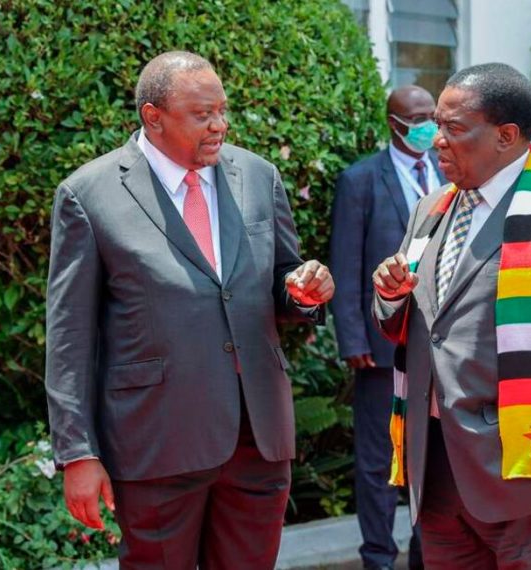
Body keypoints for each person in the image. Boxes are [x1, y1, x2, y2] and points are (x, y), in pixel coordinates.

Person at [45, 51, 334, 569]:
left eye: (223, 110)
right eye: (202, 114)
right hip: (156, 442)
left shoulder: (257, 175)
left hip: (258, 438)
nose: (219, 125)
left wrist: (304, 291)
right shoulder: (89, 195)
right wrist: (78, 453)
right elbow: (69, 337)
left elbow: (283, 279)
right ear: (152, 116)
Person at [372, 62, 531, 568]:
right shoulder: (432, 208)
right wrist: (391, 296)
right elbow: (419, 326)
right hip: (437, 466)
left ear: (506, 136)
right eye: (437, 127)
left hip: (523, 470)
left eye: (454, 128)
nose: (437, 140)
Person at [330, 84, 444, 570]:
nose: (428, 127)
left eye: (432, 117)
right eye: (417, 119)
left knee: (430, 457)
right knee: (378, 462)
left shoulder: (450, 173)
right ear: (394, 124)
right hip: (380, 347)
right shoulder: (360, 181)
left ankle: (427, 553)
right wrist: (353, 338)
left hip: (439, 347)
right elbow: (346, 259)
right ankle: (378, 556)